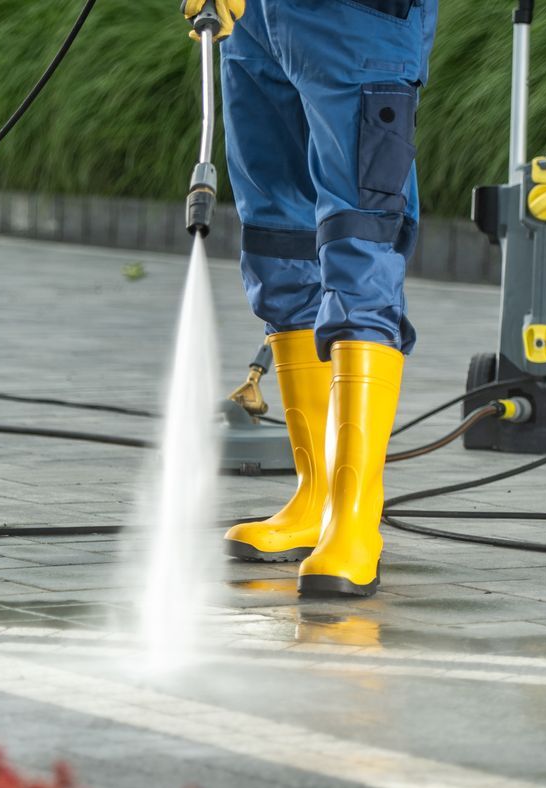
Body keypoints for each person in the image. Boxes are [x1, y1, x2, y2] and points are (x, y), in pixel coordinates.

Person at [186, 0, 439, 598]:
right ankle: (316, 494)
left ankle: (354, 518)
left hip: (357, 20)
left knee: (361, 238)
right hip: (257, 22)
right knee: (278, 243)